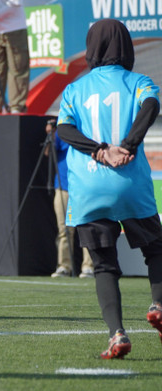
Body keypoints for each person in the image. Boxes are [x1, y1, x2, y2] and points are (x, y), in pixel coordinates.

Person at [56, 19, 162, 359]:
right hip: (130, 183)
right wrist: (128, 145)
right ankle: (159, 305)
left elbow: (64, 130)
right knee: (157, 250)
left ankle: (117, 335)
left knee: (103, 265)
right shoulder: (139, 82)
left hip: (89, 188)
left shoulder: (75, 90)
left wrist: (100, 151)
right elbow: (151, 107)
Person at [44, 119, 94, 279]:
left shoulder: (87, 132)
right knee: (64, 230)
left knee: (87, 227)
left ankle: (89, 267)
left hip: (83, 187)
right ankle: (64, 266)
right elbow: (48, 152)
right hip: (63, 186)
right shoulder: (61, 133)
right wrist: (50, 136)